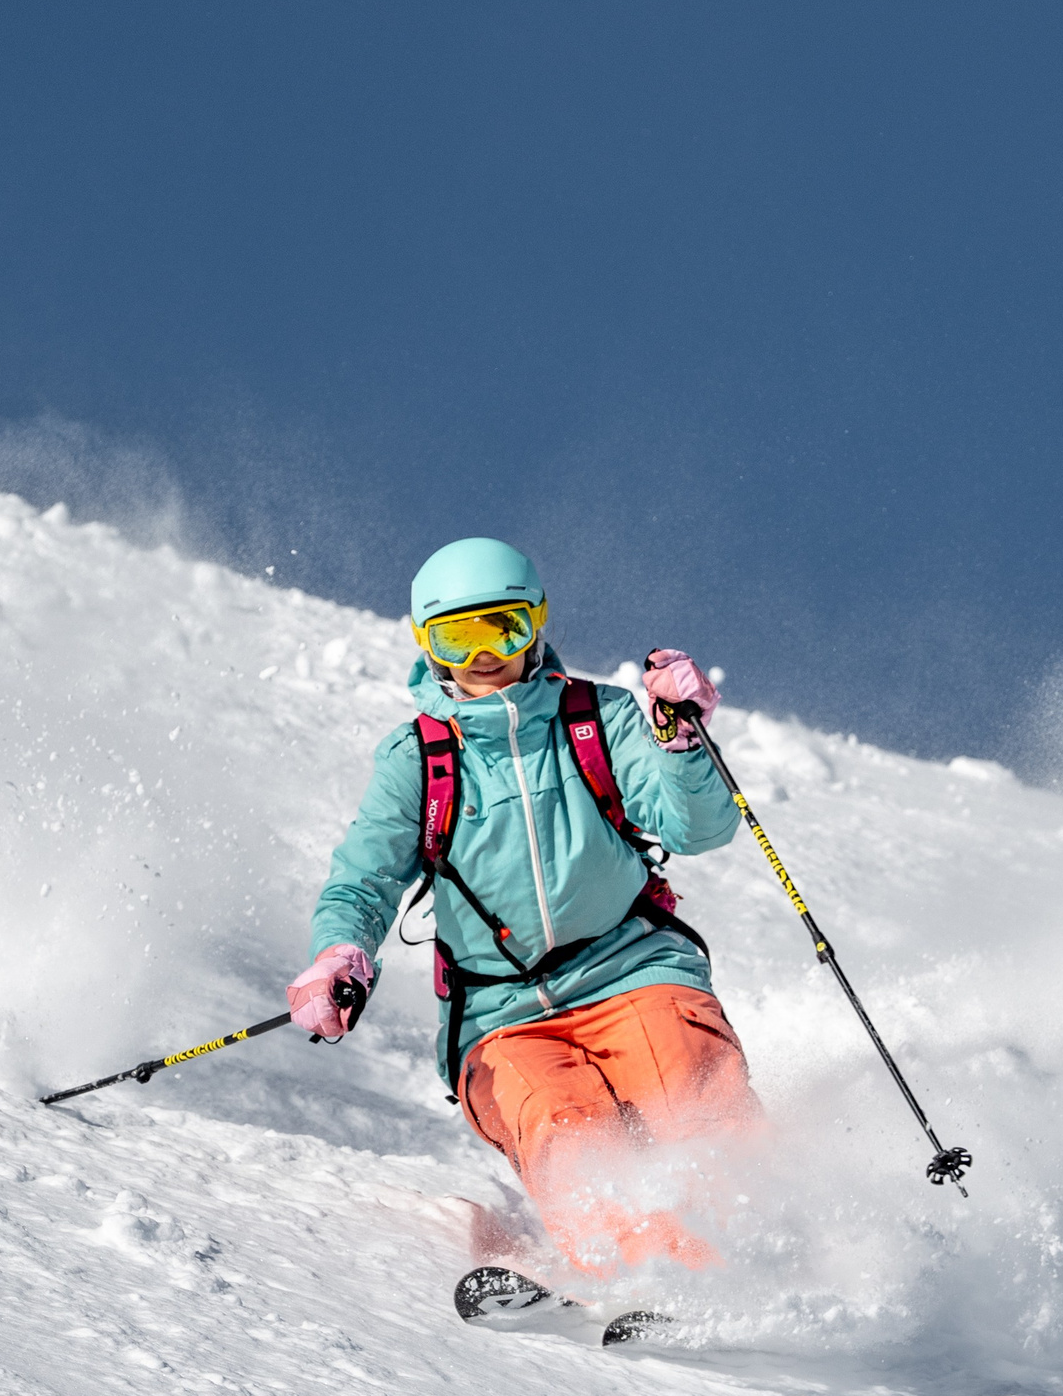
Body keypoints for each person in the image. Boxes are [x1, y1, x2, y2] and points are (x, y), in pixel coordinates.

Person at [289, 536, 762, 1277]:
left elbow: (700, 829)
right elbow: (364, 880)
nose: (483, 656)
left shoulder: (598, 718)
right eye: (458, 635)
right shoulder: (420, 758)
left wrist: (680, 744)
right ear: (426, 642)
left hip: (630, 969)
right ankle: (634, 1273)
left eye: (502, 629)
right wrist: (340, 954)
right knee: (564, 1125)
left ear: (537, 623)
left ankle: (755, 1250)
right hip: (501, 1015)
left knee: (691, 1087)